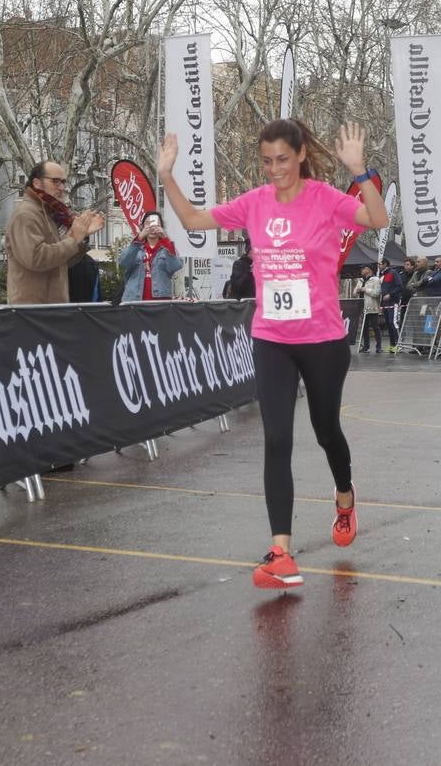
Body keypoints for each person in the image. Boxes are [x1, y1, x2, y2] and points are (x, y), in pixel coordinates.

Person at [157, 117, 387, 590]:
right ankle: (280, 550)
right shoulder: (254, 203)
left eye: (282, 159)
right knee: (276, 438)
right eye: (266, 161)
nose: (274, 169)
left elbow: (377, 220)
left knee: (327, 432)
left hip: (322, 339)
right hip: (272, 339)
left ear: (301, 155)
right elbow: (196, 220)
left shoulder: (324, 198)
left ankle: (345, 497)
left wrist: (360, 171)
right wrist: (166, 177)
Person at [4, 161, 105, 304]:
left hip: (50, 307)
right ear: (37, 183)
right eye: (55, 181)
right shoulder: (26, 214)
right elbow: (36, 258)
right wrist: (74, 238)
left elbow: (59, 261)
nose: (62, 187)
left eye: (63, 182)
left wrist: (82, 234)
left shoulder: (48, 213)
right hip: (32, 310)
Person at [119, 210, 184, 302]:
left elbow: (176, 266)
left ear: (161, 227)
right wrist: (139, 238)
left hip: (161, 301)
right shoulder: (135, 247)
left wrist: (166, 239)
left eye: (156, 224)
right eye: (148, 223)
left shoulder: (166, 248)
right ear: (142, 226)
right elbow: (123, 262)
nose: (152, 227)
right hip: (134, 300)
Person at [353, 265, 382, 353]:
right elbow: (354, 293)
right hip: (363, 307)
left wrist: (365, 290)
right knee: (364, 328)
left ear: (369, 270)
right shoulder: (360, 280)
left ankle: (379, 347)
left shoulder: (376, 280)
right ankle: (366, 347)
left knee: (375, 327)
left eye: (363, 268)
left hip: (372, 307)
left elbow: (377, 293)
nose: (361, 270)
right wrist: (357, 291)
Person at [378, 265, 401, 353]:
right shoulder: (383, 275)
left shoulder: (393, 273)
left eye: (380, 264)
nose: (379, 266)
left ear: (385, 264)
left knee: (393, 322)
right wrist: (381, 305)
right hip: (385, 304)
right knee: (388, 324)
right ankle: (392, 345)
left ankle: (399, 344)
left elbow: (399, 286)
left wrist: (390, 295)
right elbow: (383, 292)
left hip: (393, 302)